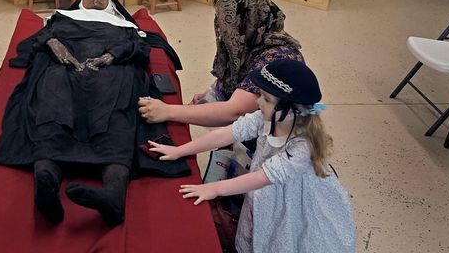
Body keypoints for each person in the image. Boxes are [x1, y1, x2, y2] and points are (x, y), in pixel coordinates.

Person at [0, 0, 189, 226]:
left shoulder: (124, 25)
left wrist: (112, 55)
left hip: (112, 68)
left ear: (111, 4)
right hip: (64, 66)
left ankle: (113, 196)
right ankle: (46, 178)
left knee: (117, 107)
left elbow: (139, 49)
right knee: (53, 99)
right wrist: (54, 45)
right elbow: (41, 36)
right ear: (80, 3)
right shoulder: (62, 18)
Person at [149, 59, 356, 252]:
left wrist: (213, 188)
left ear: (289, 111)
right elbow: (225, 134)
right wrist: (180, 150)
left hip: (292, 200)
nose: (258, 102)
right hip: (264, 191)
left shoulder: (302, 149)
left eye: (266, 98)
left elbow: (261, 178)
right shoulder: (265, 118)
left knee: (286, 237)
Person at [138, 0, 304, 127]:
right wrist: (213, 92)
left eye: (226, 20)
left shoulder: (277, 59)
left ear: (246, 19)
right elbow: (237, 78)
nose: (221, 26)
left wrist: (168, 111)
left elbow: (233, 111)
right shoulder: (253, 41)